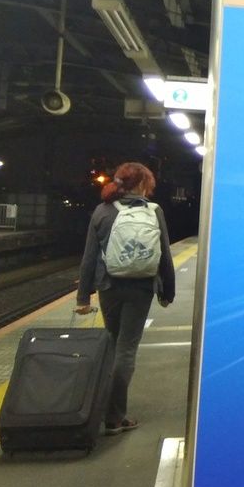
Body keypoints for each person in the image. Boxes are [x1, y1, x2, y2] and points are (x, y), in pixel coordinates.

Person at [75, 161, 176, 435]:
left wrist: (83, 297)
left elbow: (89, 257)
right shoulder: (154, 211)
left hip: (109, 286)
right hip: (141, 288)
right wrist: (167, 292)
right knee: (127, 349)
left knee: (112, 342)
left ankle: (103, 410)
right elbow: (165, 255)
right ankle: (115, 417)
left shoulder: (103, 211)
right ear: (143, 184)